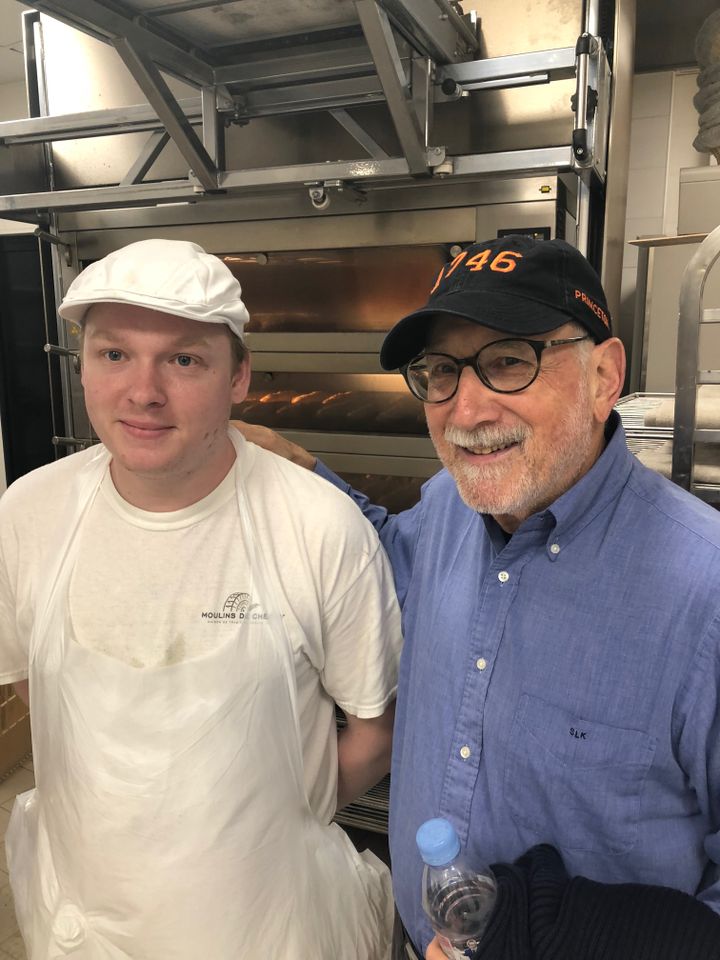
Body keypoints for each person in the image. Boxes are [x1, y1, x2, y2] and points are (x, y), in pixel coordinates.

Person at [233, 235, 720, 959]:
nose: (465, 409)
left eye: (508, 362)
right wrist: (296, 469)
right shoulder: (447, 508)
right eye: (438, 371)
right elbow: (388, 559)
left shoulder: (702, 590)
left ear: (603, 376)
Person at [0, 238, 402, 960]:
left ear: (240, 375)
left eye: (183, 360)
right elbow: (42, 689)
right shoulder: (29, 512)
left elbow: (375, 731)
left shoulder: (317, 526)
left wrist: (263, 822)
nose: (143, 391)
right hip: (83, 917)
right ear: (82, 363)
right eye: (113, 354)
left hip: (267, 923)